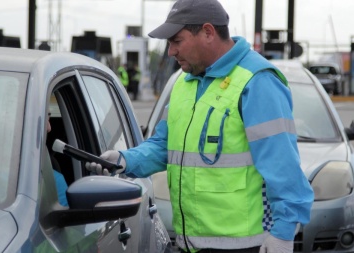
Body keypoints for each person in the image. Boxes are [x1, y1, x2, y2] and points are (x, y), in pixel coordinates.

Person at [86, 0, 314, 252]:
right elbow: (164, 145)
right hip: (190, 243)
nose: (171, 51)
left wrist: (282, 234)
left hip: (245, 246)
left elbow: (282, 166)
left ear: (208, 32)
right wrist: (124, 160)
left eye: (176, 41)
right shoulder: (185, 83)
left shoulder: (256, 81)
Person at [47, 112, 69, 207]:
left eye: (48, 117)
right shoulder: (51, 181)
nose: (49, 128)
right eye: (44, 116)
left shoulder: (52, 181)